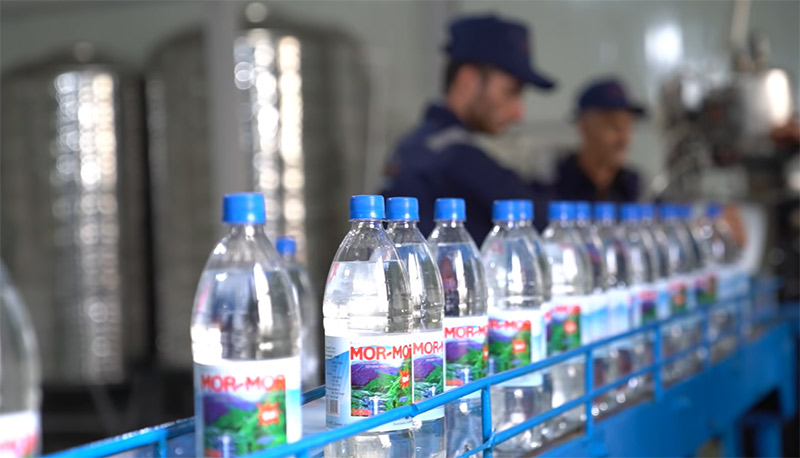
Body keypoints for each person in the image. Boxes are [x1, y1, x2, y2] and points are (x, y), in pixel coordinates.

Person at [382, 14, 556, 243]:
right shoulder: (452, 157)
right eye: (510, 92)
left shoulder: (417, 145)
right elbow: (545, 227)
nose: (518, 113)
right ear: (468, 80)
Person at [551, 77, 646, 203]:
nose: (624, 139)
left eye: (628, 127)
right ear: (584, 127)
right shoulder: (551, 186)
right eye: (615, 127)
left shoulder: (639, 189)